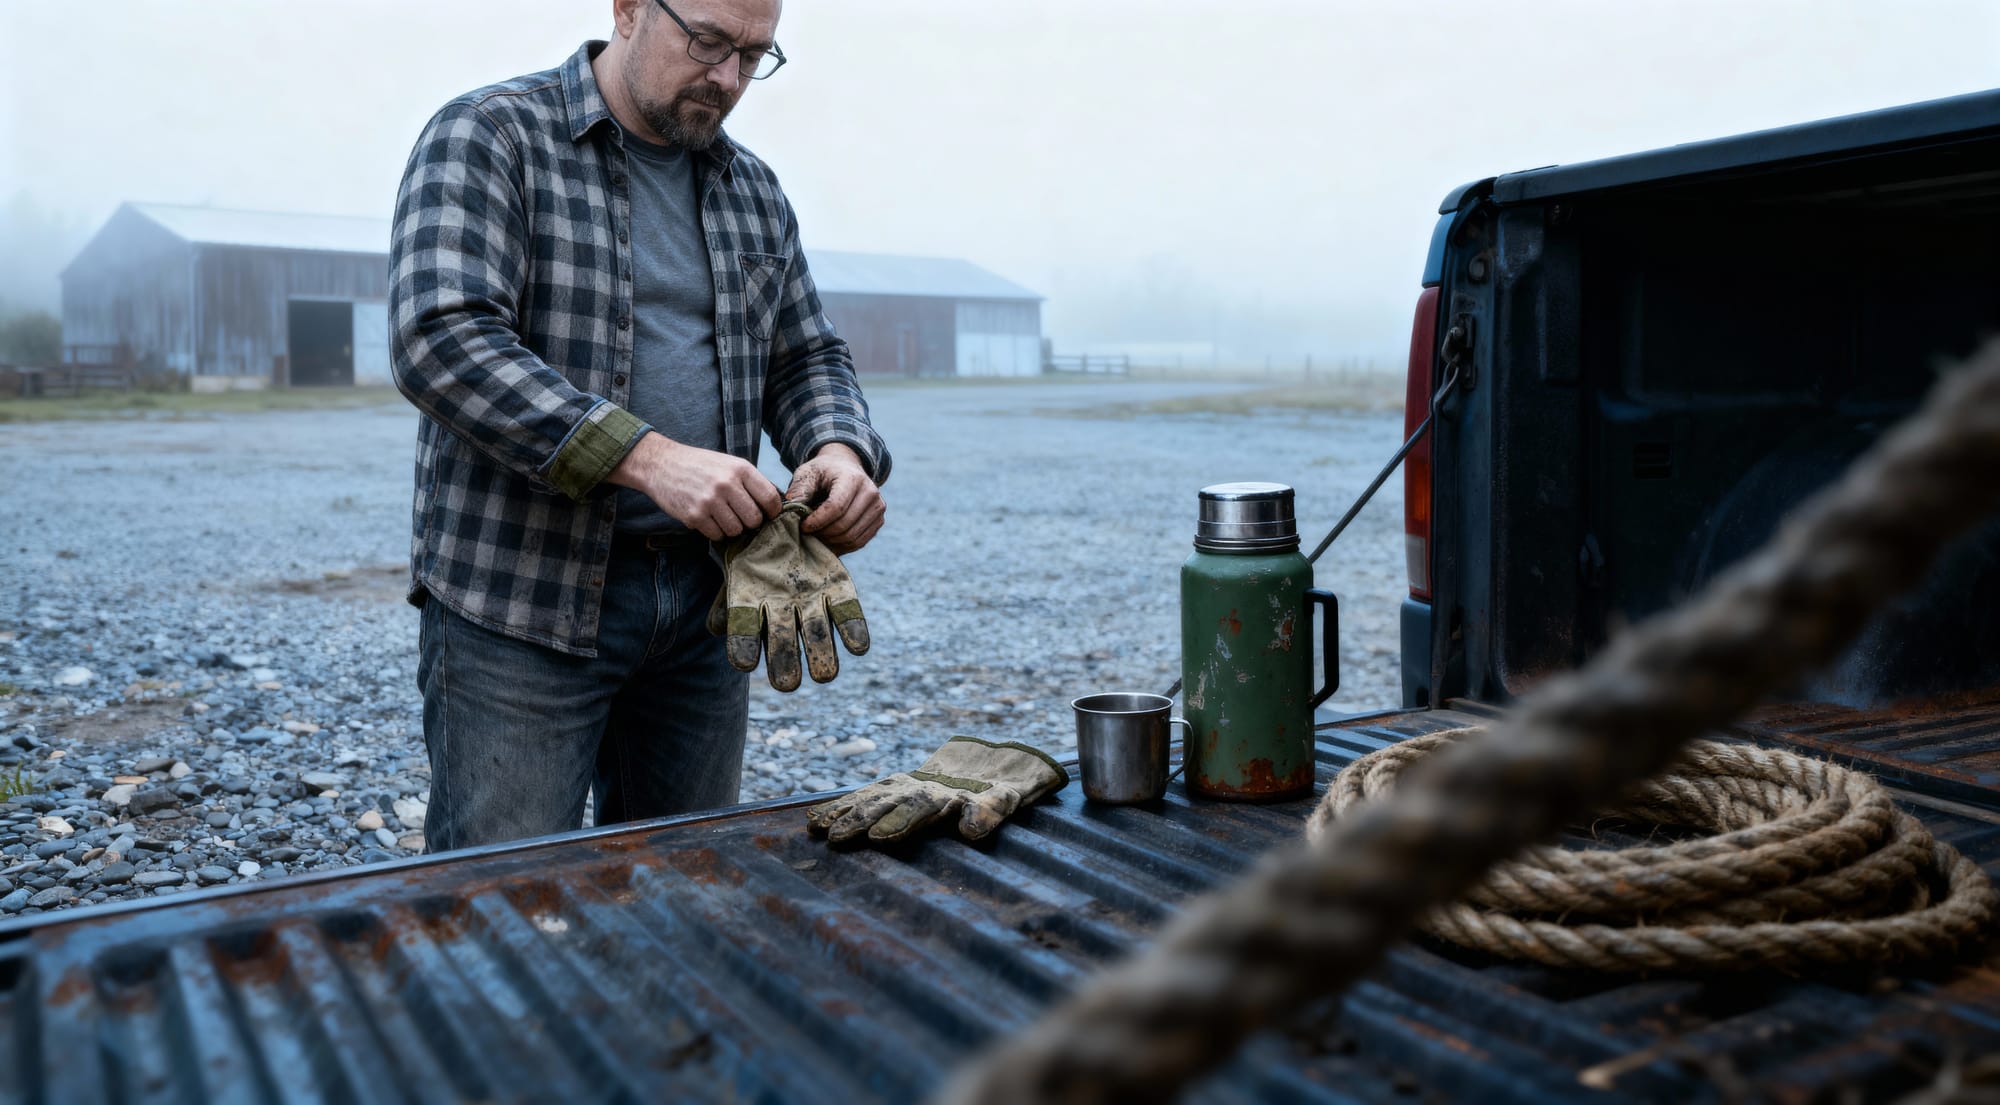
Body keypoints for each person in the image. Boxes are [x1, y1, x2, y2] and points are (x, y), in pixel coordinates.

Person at [388, 0, 889, 853]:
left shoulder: (753, 191)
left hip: (707, 603)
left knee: (682, 882)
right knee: (507, 891)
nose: (727, 77)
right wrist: (648, 458)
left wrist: (838, 448)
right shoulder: (490, 136)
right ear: (626, 9)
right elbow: (441, 338)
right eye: (708, 41)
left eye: (753, 56)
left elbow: (806, 357)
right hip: (522, 598)